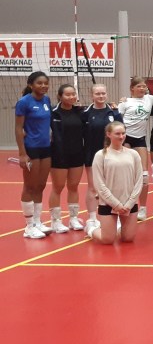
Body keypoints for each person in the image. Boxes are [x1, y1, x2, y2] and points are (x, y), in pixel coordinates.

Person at [87, 121, 145, 244]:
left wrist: (130, 203)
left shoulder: (133, 154)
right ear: (109, 134)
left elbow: (139, 180)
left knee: (128, 238)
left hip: (128, 203)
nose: (121, 136)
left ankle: (116, 228)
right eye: (117, 134)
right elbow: (99, 184)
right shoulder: (100, 155)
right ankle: (91, 229)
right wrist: (116, 204)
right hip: (108, 203)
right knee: (107, 240)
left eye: (123, 133)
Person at [16, 72, 53, 238]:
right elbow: (18, 129)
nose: (43, 86)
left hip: (46, 148)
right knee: (29, 186)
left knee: (41, 185)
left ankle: (37, 222)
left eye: (46, 83)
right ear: (31, 85)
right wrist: (22, 154)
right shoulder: (24, 102)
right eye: (39, 83)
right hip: (31, 148)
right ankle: (29, 226)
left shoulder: (47, 100)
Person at [117, 76, 153, 221]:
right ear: (132, 88)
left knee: (144, 176)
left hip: (140, 139)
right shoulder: (125, 103)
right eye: (139, 86)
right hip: (125, 138)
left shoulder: (150, 99)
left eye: (144, 86)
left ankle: (143, 208)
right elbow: (116, 120)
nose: (142, 88)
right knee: (126, 173)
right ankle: (125, 204)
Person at [82, 84, 122, 231]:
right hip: (92, 154)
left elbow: (120, 134)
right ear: (92, 95)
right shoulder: (85, 113)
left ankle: (115, 216)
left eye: (103, 93)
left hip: (111, 155)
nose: (101, 96)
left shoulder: (114, 112)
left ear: (106, 94)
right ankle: (92, 219)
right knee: (93, 187)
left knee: (113, 186)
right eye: (97, 94)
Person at [48, 84, 85, 234]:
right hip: (58, 154)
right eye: (67, 94)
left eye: (73, 94)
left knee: (74, 186)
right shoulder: (53, 113)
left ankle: (73, 218)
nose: (71, 97)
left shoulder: (80, 112)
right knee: (57, 187)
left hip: (77, 153)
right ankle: (55, 221)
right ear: (60, 96)